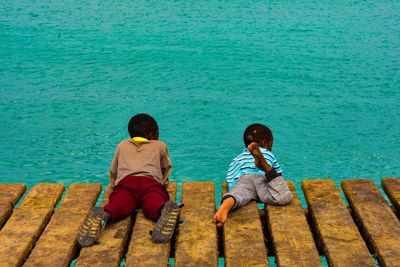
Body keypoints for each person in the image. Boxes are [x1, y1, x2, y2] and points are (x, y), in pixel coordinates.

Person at [77, 113, 181, 246]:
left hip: (127, 182)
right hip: (150, 182)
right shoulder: (159, 145)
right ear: (151, 135)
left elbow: (113, 170)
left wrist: (115, 187)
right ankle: (163, 212)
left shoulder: (122, 145)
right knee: (153, 203)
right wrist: (161, 183)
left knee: (119, 205)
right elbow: (166, 168)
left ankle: (105, 215)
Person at [214, 123, 292, 227]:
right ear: (265, 144)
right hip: (263, 178)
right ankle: (265, 166)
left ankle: (224, 208)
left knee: (236, 195)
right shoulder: (268, 153)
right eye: (271, 145)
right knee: (284, 197)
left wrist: (237, 189)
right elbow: (279, 177)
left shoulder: (237, 158)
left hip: (244, 179)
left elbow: (231, 179)